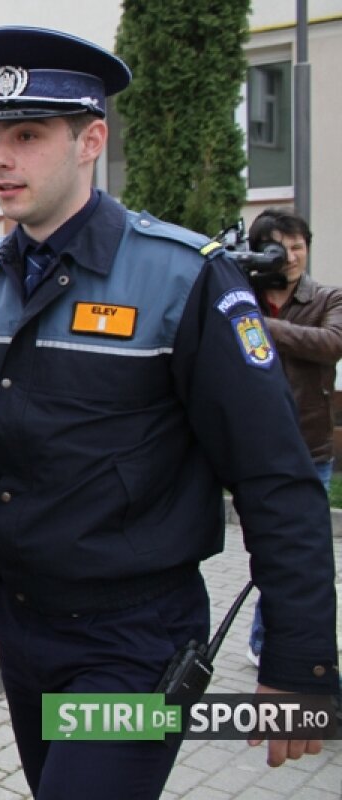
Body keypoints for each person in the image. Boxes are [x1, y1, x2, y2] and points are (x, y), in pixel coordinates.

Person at [0, 26, 338, 799]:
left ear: (91, 140)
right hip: (19, 625)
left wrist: (300, 660)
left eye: (27, 136)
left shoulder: (183, 280)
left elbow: (275, 475)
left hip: (133, 642)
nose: (0, 159)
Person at [243, 208, 342, 667]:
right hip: (252, 445)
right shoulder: (241, 294)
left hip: (309, 448)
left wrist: (262, 327)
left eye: (299, 246)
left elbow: (331, 343)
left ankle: (276, 641)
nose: (292, 256)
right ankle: (265, 636)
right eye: (280, 247)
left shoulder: (328, 297)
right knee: (270, 548)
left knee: (303, 553)